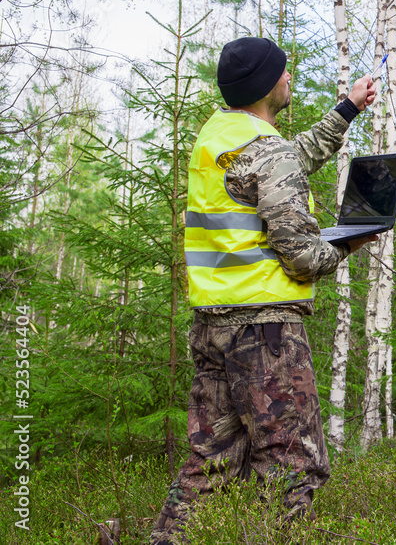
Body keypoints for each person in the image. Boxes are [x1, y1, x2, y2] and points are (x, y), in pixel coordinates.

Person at [150, 37, 377, 545]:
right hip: (265, 331)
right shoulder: (265, 149)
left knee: (208, 467)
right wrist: (347, 243)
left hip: (214, 326)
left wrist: (348, 109)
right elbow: (300, 254)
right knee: (292, 465)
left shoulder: (219, 138)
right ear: (267, 83)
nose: (289, 76)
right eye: (284, 71)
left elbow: (287, 161)